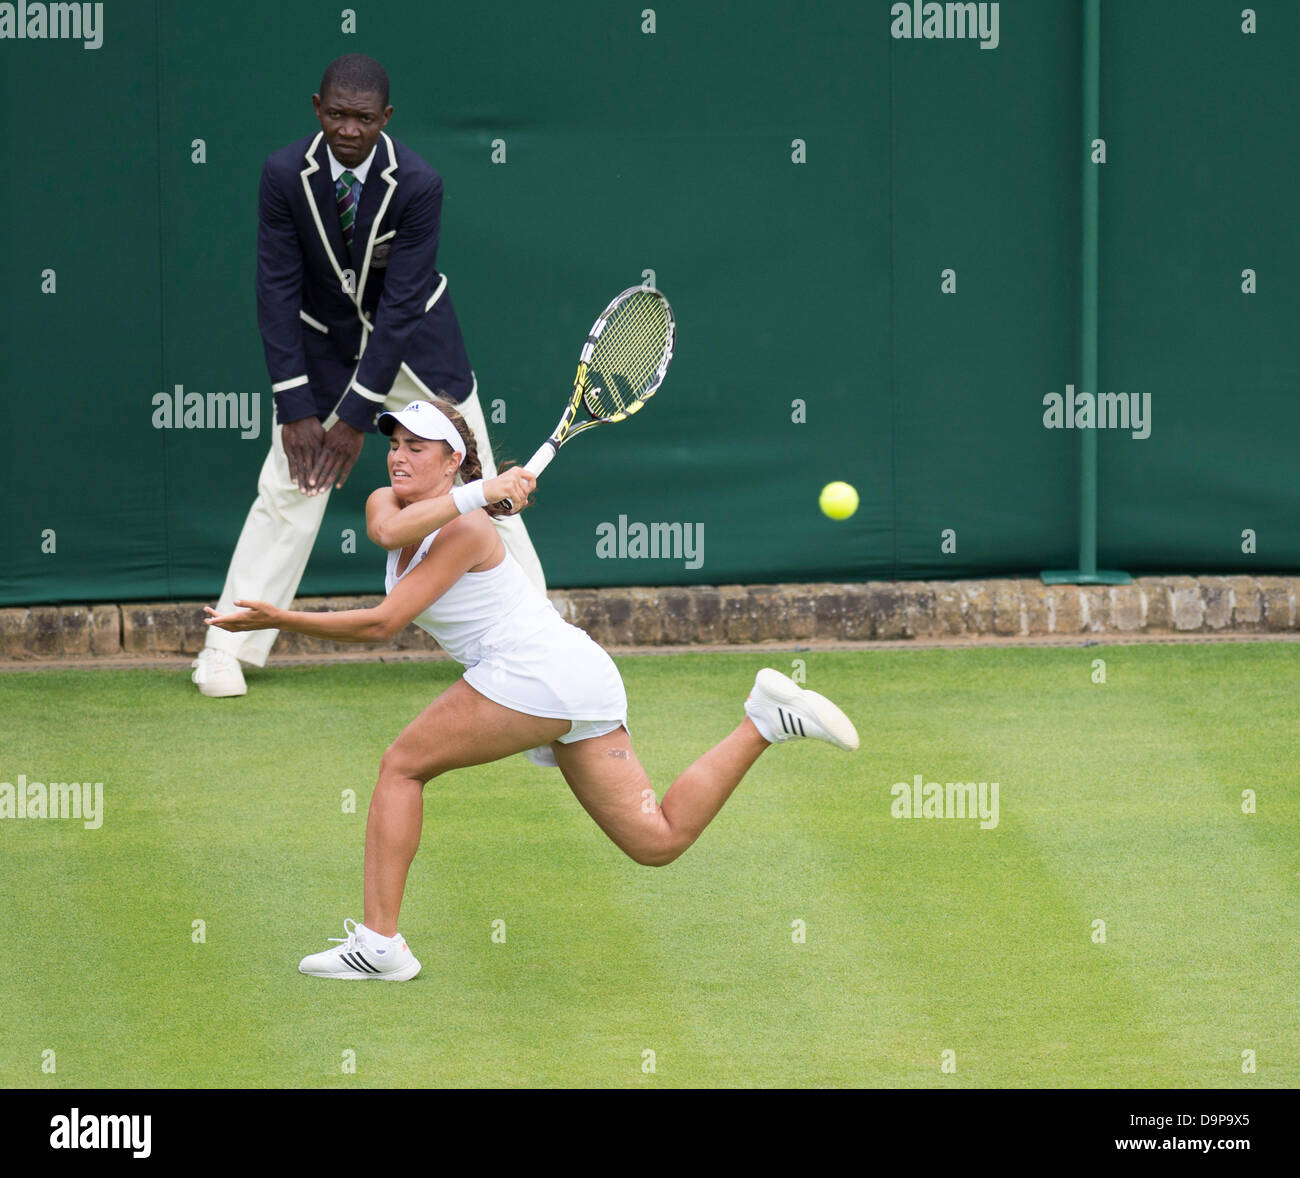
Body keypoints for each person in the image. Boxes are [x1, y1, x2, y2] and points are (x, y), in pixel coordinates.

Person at [205, 399, 860, 981]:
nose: (398, 457)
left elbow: (384, 624)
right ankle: (764, 721)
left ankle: (380, 944)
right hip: (568, 676)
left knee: (402, 766)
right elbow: (386, 532)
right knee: (655, 842)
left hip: (538, 672)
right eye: (394, 443)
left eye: (416, 447)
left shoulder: (471, 530)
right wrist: (481, 489)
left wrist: (278, 619)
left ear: (452, 458)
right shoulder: (391, 504)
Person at [193, 53, 545, 700]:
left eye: (362, 118)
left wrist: (356, 419)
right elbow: (275, 288)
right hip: (323, 350)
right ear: (316, 108)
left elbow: (403, 302)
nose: (347, 129)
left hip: (418, 347)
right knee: (289, 488)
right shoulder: (281, 175)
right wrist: (295, 404)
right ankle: (225, 646)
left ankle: (540, 638)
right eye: (335, 114)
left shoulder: (419, 183)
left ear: (386, 119)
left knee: (485, 490)